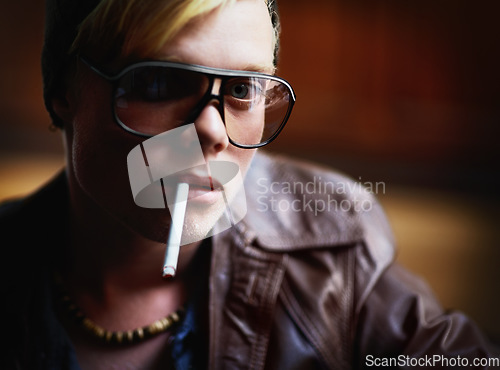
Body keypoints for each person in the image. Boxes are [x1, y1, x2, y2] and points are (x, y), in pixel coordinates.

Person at [0, 0, 498, 369]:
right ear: (64, 89)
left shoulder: (330, 251)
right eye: (158, 82)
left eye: (242, 90)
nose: (212, 132)